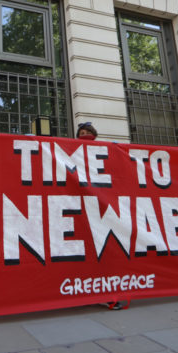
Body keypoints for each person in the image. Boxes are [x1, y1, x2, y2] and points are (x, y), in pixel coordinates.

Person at [77, 121, 126, 310]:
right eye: (81, 132)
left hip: (102, 212)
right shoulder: (74, 152)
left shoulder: (103, 151)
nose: (84, 134)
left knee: (105, 255)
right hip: (82, 211)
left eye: (87, 132)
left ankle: (108, 294)